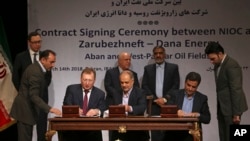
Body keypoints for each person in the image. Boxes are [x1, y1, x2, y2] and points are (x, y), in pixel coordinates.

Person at [10, 49, 62, 141]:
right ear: (43, 60)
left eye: (54, 62)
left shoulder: (37, 69)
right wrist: (50, 109)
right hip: (24, 110)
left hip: (27, 110)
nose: (53, 65)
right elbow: (33, 96)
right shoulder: (35, 72)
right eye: (51, 62)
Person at [12, 31, 52, 141]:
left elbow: (48, 77)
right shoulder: (20, 57)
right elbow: (15, 77)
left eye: (39, 42)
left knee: (42, 131)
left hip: (41, 99)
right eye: (35, 42)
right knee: (25, 134)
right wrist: (25, 93)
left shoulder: (45, 56)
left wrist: (39, 91)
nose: (37, 44)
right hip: (26, 102)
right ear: (29, 42)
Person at [205, 42, 248, 141]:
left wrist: (236, 113)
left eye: (212, 59)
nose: (211, 62)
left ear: (220, 54)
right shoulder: (218, 64)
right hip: (223, 107)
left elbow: (236, 89)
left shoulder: (232, 65)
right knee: (223, 135)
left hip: (232, 108)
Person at [141, 46, 180, 141]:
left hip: (168, 104)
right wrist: (155, 99)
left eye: (160, 53)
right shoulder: (148, 69)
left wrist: (165, 99)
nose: (158, 55)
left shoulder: (173, 68)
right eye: (156, 53)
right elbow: (145, 86)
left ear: (164, 54)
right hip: (153, 105)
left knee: (168, 132)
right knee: (155, 133)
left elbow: (175, 85)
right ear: (153, 55)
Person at [62, 67, 106, 141]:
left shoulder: (100, 94)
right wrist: (74, 110)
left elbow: (103, 108)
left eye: (90, 80)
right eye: (85, 80)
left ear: (94, 80)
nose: (87, 83)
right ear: (80, 79)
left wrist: (96, 111)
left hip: (92, 131)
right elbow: (66, 104)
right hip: (73, 130)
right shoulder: (71, 89)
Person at [164, 72, 211, 141]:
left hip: (191, 134)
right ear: (185, 83)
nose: (190, 89)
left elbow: (207, 118)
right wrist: (176, 111)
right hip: (174, 132)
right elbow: (168, 107)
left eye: (193, 87)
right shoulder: (175, 94)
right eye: (188, 85)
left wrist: (196, 114)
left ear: (197, 87)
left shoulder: (202, 98)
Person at [104, 52, 140, 141]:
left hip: (129, 110)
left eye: (129, 59)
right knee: (115, 135)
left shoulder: (133, 74)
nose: (128, 61)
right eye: (126, 60)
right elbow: (108, 86)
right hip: (114, 106)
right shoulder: (110, 72)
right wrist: (120, 93)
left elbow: (137, 89)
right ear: (119, 61)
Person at [111, 70, 150, 141]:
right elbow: (112, 108)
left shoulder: (140, 92)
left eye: (126, 82)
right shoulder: (116, 93)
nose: (124, 85)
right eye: (122, 82)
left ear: (132, 81)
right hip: (121, 127)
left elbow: (142, 107)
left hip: (136, 128)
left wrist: (129, 108)